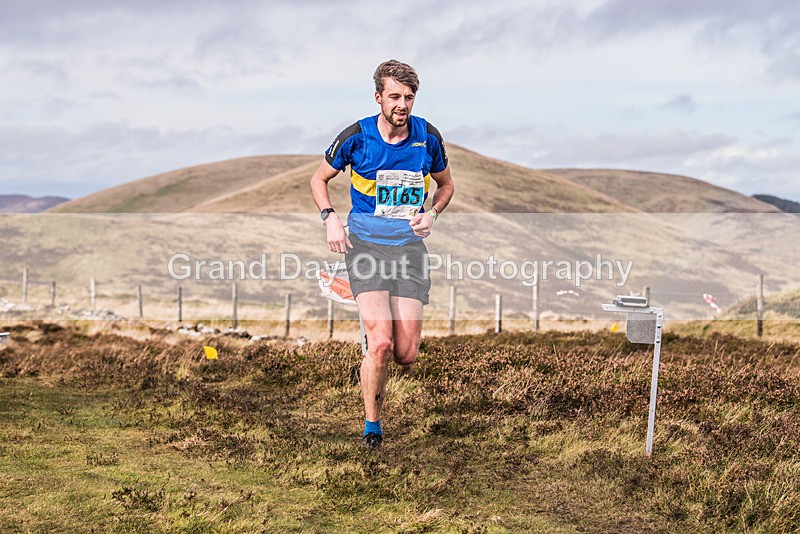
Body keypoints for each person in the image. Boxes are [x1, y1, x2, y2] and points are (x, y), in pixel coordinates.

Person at [309, 60, 454, 449]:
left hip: (408, 251)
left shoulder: (428, 137)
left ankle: (365, 312)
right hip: (366, 249)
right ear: (379, 98)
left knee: (405, 354)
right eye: (394, 96)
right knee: (382, 344)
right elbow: (318, 179)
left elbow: (445, 185)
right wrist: (330, 220)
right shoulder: (357, 136)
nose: (402, 104)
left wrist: (432, 213)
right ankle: (372, 427)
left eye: (408, 97)